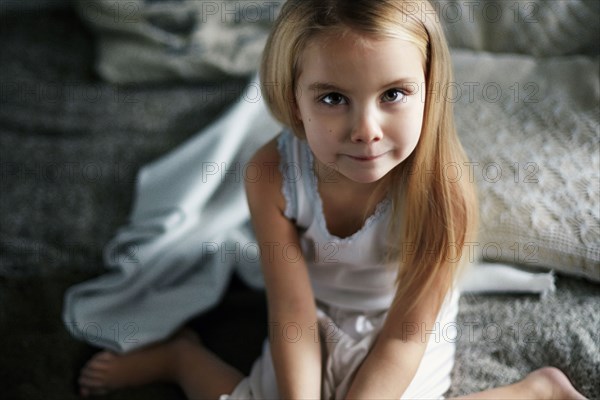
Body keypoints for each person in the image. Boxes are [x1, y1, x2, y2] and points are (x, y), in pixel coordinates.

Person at [77, 0, 587, 398]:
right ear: (293, 99)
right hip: (312, 313)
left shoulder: (444, 193)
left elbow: (407, 337)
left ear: (429, 90)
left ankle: (536, 390)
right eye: (332, 98)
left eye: (393, 95)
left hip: (400, 327)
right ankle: (182, 357)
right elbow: (291, 311)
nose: (365, 131)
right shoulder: (271, 174)